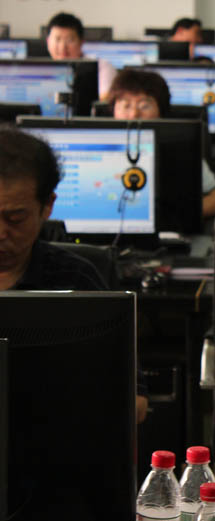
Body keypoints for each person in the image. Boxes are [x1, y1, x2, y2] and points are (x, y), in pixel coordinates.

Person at [0, 127, 148, 422]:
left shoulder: (75, 279)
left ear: (47, 206)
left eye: (15, 218)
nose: (1, 233)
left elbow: (137, 404)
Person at [107, 69, 215, 218]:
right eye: (126, 106)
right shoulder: (94, 147)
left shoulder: (181, 148)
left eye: (144, 106)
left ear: (161, 112)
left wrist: (167, 216)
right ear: (113, 111)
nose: (134, 114)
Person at [45, 12, 116, 100]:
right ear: (48, 42)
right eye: (57, 39)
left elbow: (104, 100)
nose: (63, 47)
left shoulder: (100, 66)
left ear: (81, 43)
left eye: (69, 40)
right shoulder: (38, 69)